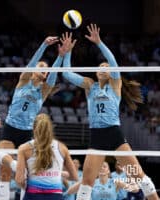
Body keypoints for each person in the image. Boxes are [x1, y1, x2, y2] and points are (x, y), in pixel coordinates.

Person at [61, 24, 159, 200]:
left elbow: (113, 63)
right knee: (87, 183)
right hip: (97, 136)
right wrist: (67, 52)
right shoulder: (89, 86)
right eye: (100, 66)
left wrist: (99, 43)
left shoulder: (115, 85)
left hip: (114, 135)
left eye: (106, 67)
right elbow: (67, 74)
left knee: (139, 176)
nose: (103, 68)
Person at [0, 35, 72, 200]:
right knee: (4, 171)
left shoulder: (43, 91)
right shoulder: (24, 80)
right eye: (41, 67)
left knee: (27, 175)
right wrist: (44, 45)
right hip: (10, 129)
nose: (43, 70)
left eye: (46, 69)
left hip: (27, 133)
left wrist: (60, 56)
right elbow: (32, 64)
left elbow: (52, 76)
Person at [15, 113, 78, 200]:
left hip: (32, 195)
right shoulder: (62, 148)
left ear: (33, 129)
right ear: (50, 129)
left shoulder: (24, 148)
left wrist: (28, 187)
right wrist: (57, 174)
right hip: (55, 196)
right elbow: (74, 176)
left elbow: (19, 180)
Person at [66, 161, 139, 200]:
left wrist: (129, 175)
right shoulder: (92, 182)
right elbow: (70, 191)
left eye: (104, 166)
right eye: (99, 166)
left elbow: (135, 190)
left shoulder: (115, 182)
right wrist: (84, 181)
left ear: (108, 171)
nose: (102, 168)